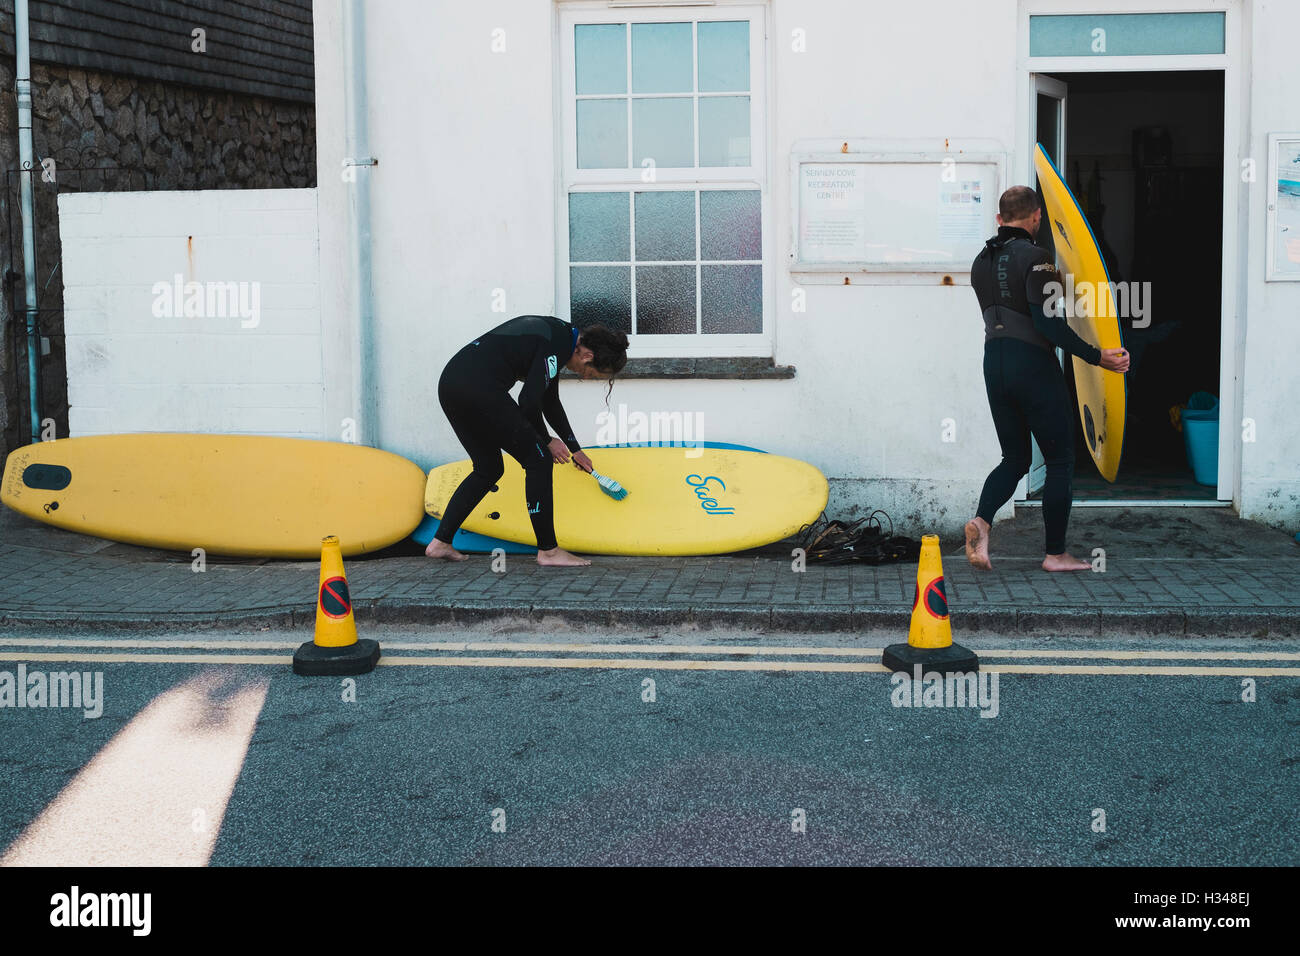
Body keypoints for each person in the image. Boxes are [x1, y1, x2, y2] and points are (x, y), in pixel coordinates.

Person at [965, 186, 1130, 572]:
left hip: (994, 363)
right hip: (1032, 365)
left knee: (1015, 456)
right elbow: (1046, 324)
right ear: (1037, 217)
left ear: (999, 219)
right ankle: (1056, 554)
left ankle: (982, 521)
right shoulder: (1038, 258)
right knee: (1058, 459)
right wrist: (1097, 357)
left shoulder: (980, 261)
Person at [426, 315, 629, 567]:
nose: (586, 377)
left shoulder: (560, 338)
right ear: (588, 356)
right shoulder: (557, 345)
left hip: (452, 385)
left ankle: (440, 542)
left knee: (488, 468)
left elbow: (549, 401)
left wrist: (576, 449)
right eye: (593, 373)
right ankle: (549, 551)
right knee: (539, 460)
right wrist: (545, 440)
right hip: (478, 388)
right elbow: (528, 402)